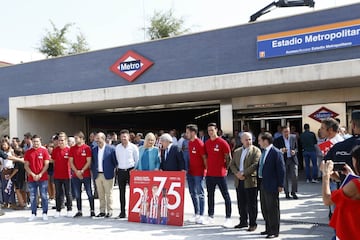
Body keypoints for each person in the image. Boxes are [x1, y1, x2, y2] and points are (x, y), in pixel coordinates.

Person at [320, 146, 360, 239]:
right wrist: (352, 176)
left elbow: (327, 200)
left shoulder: (356, 184)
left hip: (350, 232)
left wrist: (325, 175)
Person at [230, 132, 261, 232]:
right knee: (241, 202)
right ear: (241, 140)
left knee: (251, 203)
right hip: (239, 181)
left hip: (250, 181)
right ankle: (243, 221)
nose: (248, 142)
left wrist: (243, 174)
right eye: (246, 140)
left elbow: (255, 165)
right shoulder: (237, 151)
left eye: (250, 139)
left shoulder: (256, 151)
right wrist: (237, 173)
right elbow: (232, 164)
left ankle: (253, 223)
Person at [204, 123, 233, 228]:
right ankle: (210, 216)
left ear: (216, 130)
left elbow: (229, 157)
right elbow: (206, 157)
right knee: (210, 196)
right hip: (210, 174)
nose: (210, 132)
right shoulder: (206, 143)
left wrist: (226, 169)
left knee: (225, 196)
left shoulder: (222, 142)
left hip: (220, 174)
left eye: (212, 130)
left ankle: (228, 218)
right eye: (209, 130)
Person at [257, 132, 285, 239]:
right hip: (263, 183)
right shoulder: (263, 152)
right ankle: (268, 228)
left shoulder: (276, 152)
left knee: (272, 208)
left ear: (265, 141)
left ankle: (274, 230)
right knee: (265, 207)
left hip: (272, 184)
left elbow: (281, 170)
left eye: (260, 140)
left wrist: (280, 184)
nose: (258, 142)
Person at [91, 132, 118, 218]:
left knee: (108, 193)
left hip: (108, 174)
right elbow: (93, 162)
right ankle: (102, 211)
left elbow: (115, 162)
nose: (97, 141)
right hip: (97, 175)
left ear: (103, 139)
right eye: (96, 139)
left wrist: (111, 170)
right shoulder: (94, 149)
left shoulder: (111, 149)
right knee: (100, 194)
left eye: (99, 139)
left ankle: (109, 211)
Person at [24, 135, 50, 221]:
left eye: (37, 141)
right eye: (34, 141)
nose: (36, 143)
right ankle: (33, 213)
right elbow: (26, 166)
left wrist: (40, 174)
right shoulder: (28, 152)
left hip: (43, 178)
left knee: (43, 196)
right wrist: (32, 174)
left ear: (40, 142)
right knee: (33, 197)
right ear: (32, 142)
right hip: (32, 179)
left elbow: (46, 164)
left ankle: (45, 213)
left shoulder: (44, 151)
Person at [69, 131, 95, 218]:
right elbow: (71, 162)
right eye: (75, 138)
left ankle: (92, 210)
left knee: (89, 193)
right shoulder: (72, 149)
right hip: (76, 175)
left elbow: (89, 161)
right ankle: (79, 211)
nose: (75, 140)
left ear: (82, 138)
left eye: (77, 138)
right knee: (77, 194)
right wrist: (76, 171)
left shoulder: (87, 148)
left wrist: (82, 170)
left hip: (86, 174)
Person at [115, 129, 139, 218]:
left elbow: (137, 159)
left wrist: (135, 169)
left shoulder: (133, 147)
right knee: (122, 193)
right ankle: (122, 212)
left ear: (129, 137)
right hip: (121, 171)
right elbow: (117, 159)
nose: (123, 138)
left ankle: (133, 212)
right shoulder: (117, 147)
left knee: (133, 192)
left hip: (131, 170)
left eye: (125, 136)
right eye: (122, 137)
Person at [185, 124, 206, 224]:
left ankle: (201, 215)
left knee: (200, 193)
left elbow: (204, 158)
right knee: (192, 193)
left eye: (188, 132)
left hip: (199, 172)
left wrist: (205, 170)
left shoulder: (200, 143)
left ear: (193, 132)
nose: (186, 134)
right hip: (191, 172)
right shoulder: (189, 143)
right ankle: (196, 213)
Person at [274, 126, 299, 199]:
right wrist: (281, 150)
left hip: (292, 159)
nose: (287, 133)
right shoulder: (278, 140)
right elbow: (275, 150)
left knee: (295, 175)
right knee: (284, 177)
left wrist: (294, 151)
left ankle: (294, 192)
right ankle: (287, 192)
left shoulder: (293, 138)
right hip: (283, 160)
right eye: (285, 132)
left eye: (288, 131)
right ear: (282, 132)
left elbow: (297, 147)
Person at [51, 132, 72, 218]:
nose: (60, 142)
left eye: (62, 140)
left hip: (67, 175)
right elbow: (52, 160)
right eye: (59, 140)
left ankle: (69, 210)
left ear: (66, 141)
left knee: (68, 193)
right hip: (57, 176)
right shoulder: (55, 150)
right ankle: (58, 210)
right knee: (58, 194)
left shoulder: (69, 150)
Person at [1, 140, 16, 209]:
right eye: (2, 145)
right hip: (3, 170)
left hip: (10, 170)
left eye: (5, 145)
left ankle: (12, 202)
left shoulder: (11, 152)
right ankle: (6, 202)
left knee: (10, 187)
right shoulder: (1, 152)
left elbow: (14, 160)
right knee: (4, 187)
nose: (4, 146)